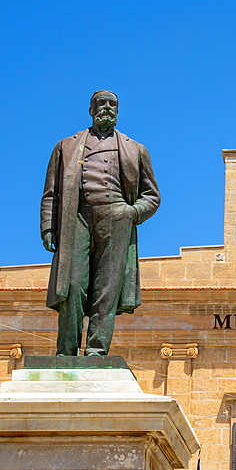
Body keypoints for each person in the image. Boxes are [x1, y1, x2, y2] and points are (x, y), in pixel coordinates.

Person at [40, 90, 160, 355]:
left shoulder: (135, 149)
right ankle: (66, 350)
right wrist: (48, 225)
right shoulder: (66, 146)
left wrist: (132, 213)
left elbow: (151, 195)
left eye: (113, 104)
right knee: (72, 284)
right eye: (101, 104)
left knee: (107, 287)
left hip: (116, 217)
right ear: (91, 110)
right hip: (76, 217)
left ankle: (96, 350)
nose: (108, 108)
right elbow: (51, 192)